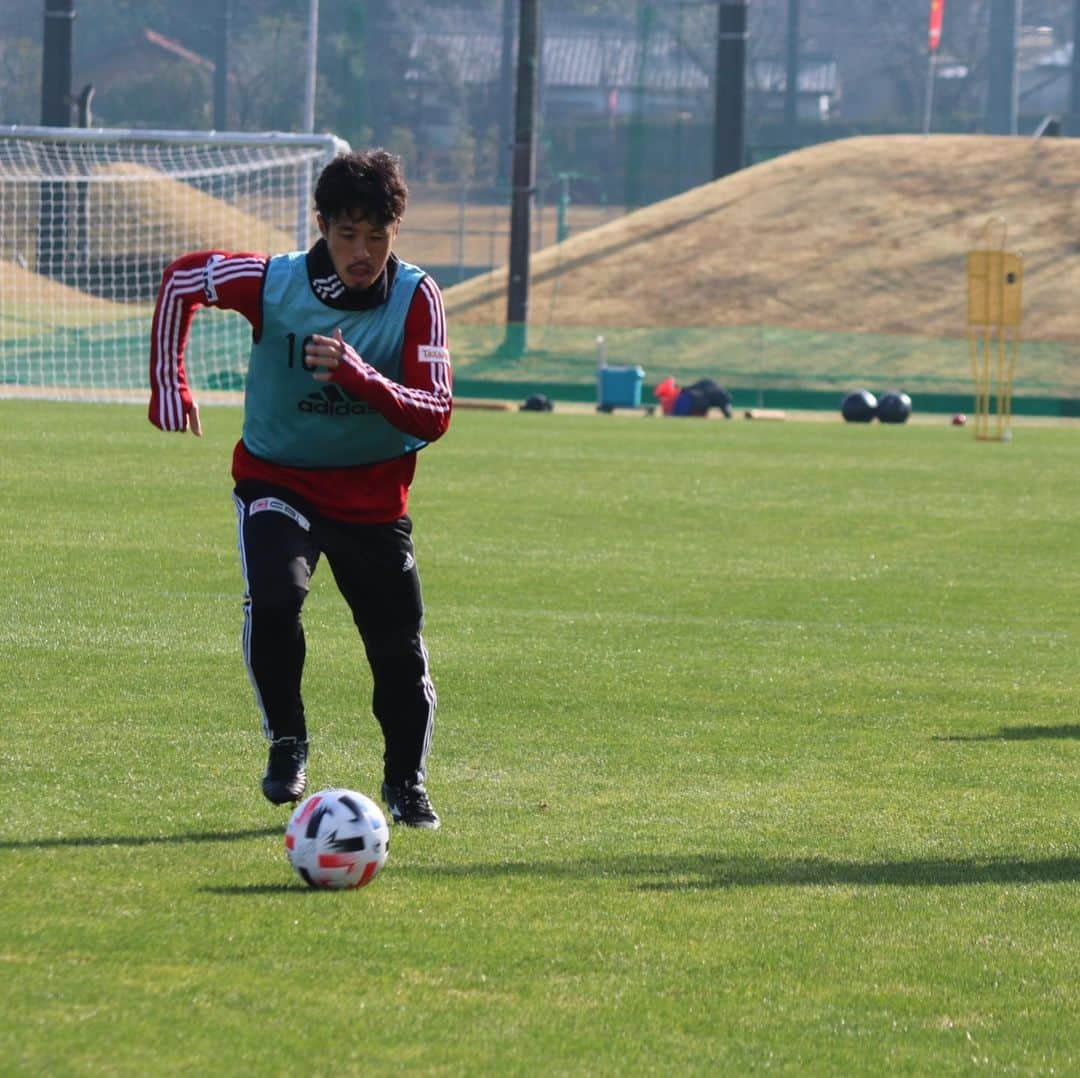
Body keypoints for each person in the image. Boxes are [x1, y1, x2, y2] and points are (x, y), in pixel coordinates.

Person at [147, 149, 451, 829]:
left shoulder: (417, 297)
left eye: (377, 235)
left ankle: (406, 782)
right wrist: (170, 381)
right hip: (276, 479)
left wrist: (358, 374)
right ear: (321, 225)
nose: (362, 251)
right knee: (277, 598)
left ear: (395, 231)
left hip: (373, 500)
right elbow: (179, 281)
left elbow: (435, 414)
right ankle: (288, 745)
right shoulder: (274, 281)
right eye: (347, 234)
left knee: (396, 650)